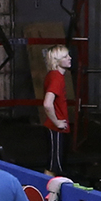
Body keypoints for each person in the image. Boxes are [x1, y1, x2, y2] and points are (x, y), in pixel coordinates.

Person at [40, 45, 73, 175]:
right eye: (65, 57)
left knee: (55, 164)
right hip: (56, 129)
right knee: (54, 166)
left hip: (57, 128)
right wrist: (57, 122)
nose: (70, 58)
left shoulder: (55, 76)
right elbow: (47, 104)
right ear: (57, 60)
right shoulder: (56, 78)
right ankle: (49, 194)